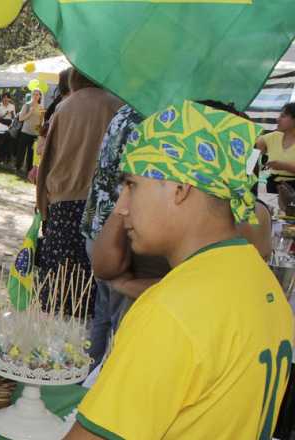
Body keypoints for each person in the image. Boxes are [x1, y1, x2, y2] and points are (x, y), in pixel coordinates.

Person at [64, 100, 293, 439]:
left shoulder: (171, 311)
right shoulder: (260, 280)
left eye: (131, 186)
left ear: (180, 189)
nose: (122, 208)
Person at [34, 69, 123, 317]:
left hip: (64, 200)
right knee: (93, 283)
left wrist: (42, 203)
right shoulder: (118, 106)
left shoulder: (64, 107)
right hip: (103, 204)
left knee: (58, 282)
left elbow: (48, 158)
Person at [257, 103, 295, 211]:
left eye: (283, 116)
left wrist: (284, 166)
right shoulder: (273, 137)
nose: (278, 119)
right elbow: (252, 144)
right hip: (273, 188)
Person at [15, 89, 44, 174]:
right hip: (25, 132)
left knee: (31, 153)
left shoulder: (41, 108)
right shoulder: (26, 105)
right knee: (21, 151)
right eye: (34, 94)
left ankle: (28, 170)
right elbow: (20, 118)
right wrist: (30, 112)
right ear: (31, 95)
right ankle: (18, 167)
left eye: (37, 94)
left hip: (35, 134)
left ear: (40, 96)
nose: (35, 96)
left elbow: (41, 121)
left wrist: (39, 132)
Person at [0, 93, 16, 164]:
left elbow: (14, 117)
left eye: (7, 98)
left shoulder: (12, 106)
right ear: (2, 98)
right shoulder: (0, 105)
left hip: (9, 125)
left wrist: (11, 114)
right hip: (1, 126)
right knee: (0, 142)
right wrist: (4, 114)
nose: (5, 99)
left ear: (9, 99)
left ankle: (7, 158)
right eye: (4, 97)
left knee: (8, 142)